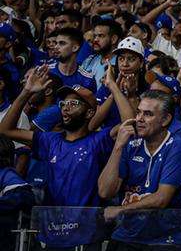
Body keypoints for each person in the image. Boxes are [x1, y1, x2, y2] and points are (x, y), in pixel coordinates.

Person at [0, 66, 115, 248]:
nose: (66, 108)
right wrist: (26, 92)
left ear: (89, 113)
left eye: (74, 104)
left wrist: (114, 89)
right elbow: (6, 129)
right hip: (53, 232)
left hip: (86, 234)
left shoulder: (99, 140)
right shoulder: (50, 139)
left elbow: (128, 124)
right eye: (63, 104)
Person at [98, 90, 181, 248]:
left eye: (148, 114)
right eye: (138, 112)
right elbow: (105, 191)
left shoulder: (177, 147)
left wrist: (121, 210)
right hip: (126, 236)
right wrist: (117, 147)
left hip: (162, 241)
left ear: (165, 119)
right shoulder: (130, 145)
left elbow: (161, 198)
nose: (139, 119)